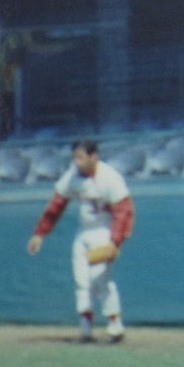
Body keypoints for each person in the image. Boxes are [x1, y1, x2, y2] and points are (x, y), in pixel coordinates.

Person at [25, 139, 134, 342]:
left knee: (101, 281)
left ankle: (115, 327)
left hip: (104, 231)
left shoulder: (109, 177)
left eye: (81, 157)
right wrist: (40, 233)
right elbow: (56, 205)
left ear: (94, 156)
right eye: (75, 157)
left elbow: (124, 211)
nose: (77, 162)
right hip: (84, 232)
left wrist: (115, 241)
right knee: (81, 281)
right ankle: (85, 329)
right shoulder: (73, 175)